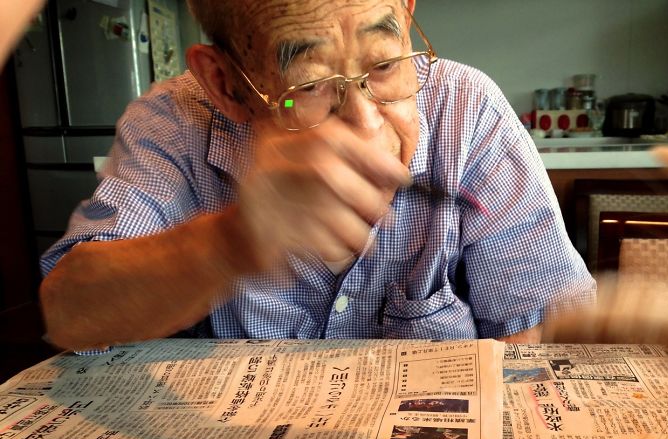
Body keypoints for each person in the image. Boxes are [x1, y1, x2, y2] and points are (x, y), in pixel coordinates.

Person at [38, 0, 595, 351]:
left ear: (405, 16)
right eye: (308, 85)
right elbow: (70, 314)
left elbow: (545, 327)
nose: (364, 119)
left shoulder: (466, 111)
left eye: (384, 65)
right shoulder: (173, 123)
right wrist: (232, 243)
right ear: (226, 83)